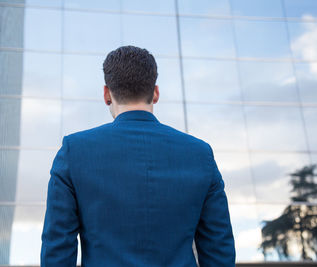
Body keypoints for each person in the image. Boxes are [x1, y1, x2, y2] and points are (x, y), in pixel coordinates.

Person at [40, 45, 236, 266]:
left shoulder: (74, 151)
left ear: (106, 94)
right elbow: (219, 251)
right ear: (155, 93)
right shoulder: (200, 154)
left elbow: (57, 251)